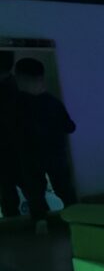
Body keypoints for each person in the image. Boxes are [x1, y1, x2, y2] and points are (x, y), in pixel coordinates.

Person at [15, 57, 77, 208]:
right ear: (41, 79)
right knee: (65, 190)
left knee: (35, 194)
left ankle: (41, 219)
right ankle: (75, 216)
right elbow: (70, 127)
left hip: (30, 157)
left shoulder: (17, 104)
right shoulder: (53, 102)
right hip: (56, 155)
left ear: (20, 80)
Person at [0, 50, 23, 218]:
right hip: (19, 148)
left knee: (8, 193)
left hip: (8, 149)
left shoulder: (10, 88)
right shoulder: (17, 85)